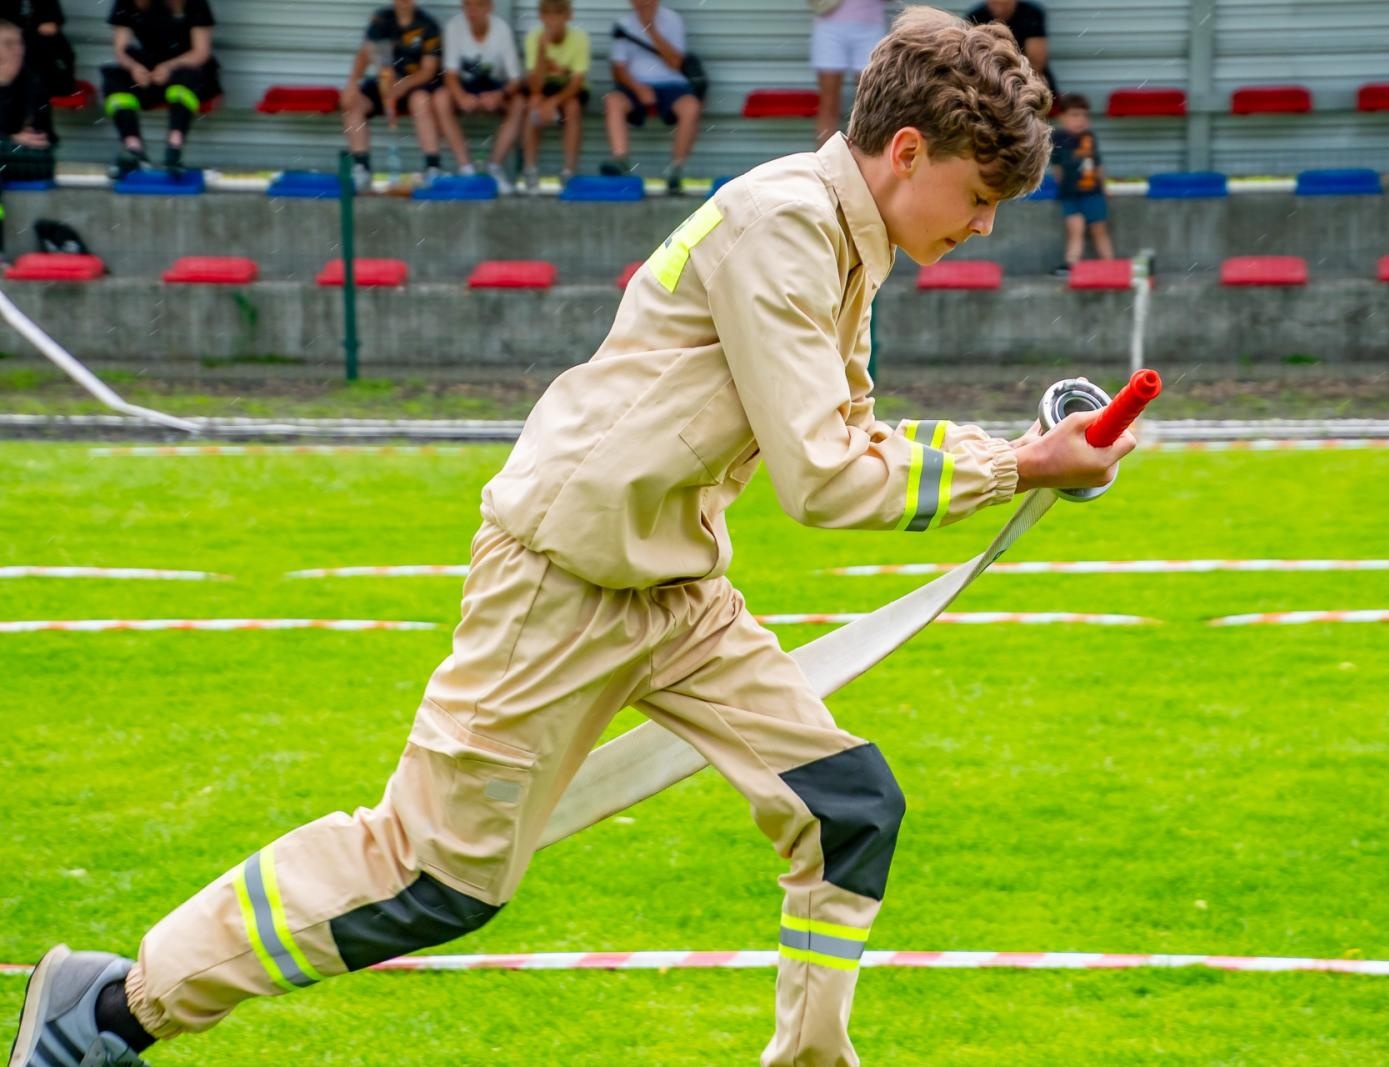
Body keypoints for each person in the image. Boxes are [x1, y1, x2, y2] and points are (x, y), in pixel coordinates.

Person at [6, 8, 1136, 1067]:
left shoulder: (842, 237)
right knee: (430, 879)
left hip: (672, 587)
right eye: (979, 192)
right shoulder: (786, 222)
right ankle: (107, 1009)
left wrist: (1020, 448)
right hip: (558, 578)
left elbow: (839, 434)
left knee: (848, 812)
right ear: (904, 149)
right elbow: (827, 477)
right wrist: (1022, 463)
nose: (984, 223)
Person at [100, 0, 220, 180]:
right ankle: (134, 149)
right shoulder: (126, 3)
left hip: (188, 68)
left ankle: (174, 149)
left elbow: (201, 52)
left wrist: (168, 67)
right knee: (114, 79)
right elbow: (121, 50)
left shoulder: (195, 4)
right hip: (150, 69)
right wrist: (134, 68)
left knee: (186, 80)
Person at [341, 1, 444, 193]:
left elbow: (429, 70)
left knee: (421, 100)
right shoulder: (381, 19)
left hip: (414, 85)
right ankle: (361, 169)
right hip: (384, 84)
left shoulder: (429, 24)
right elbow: (365, 53)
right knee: (352, 101)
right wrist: (352, 83)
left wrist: (403, 85)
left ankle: (433, 167)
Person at [601, 0, 697, 193]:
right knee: (612, 101)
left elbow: (675, 62)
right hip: (634, 86)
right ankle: (621, 160)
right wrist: (638, 89)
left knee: (691, 106)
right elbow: (618, 68)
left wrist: (651, 30)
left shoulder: (673, 20)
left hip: (671, 85)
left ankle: (675, 169)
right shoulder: (623, 24)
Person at [434, 0, 522, 193]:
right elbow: (450, 74)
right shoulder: (454, 27)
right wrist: (460, 97)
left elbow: (515, 79)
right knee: (440, 98)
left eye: (478, 5)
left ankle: (494, 167)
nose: (472, 11)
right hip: (465, 85)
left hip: (493, 86)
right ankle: (466, 168)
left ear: (490, 7)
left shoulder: (501, 30)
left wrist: (500, 95)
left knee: (520, 103)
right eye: (467, 5)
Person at [0, 18, 54, 262]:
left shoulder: (32, 81)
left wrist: (11, 136)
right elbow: (16, 130)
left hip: (32, 158)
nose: (17, 50)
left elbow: (39, 133)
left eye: (19, 43)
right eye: (8, 44)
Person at [520, 0, 589, 190]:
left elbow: (577, 82)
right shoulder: (534, 37)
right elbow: (535, 86)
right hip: (543, 88)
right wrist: (542, 50)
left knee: (573, 107)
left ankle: (569, 170)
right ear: (541, 17)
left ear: (568, 16)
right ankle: (530, 169)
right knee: (533, 103)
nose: (553, 21)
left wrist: (552, 103)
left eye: (558, 15)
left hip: (569, 89)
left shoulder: (579, 38)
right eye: (548, 15)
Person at [809, 0, 888, 146]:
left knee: (870, 102)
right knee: (828, 102)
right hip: (829, 25)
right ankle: (825, 164)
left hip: (870, 25)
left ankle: (865, 162)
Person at [1050, 92, 1112, 277]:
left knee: (1099, 230)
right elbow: (1057, 168)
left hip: (1093, 191)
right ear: (1062, 118)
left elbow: (1097, 164)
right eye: (1074, 115)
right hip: (1070, 193)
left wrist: (1105, 186)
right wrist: (1061, 186)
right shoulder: (1058, 139)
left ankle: (1110, 266)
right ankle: (1071, 264)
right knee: (1075, 228)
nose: (1081, 120)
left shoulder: (1089, 138)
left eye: (1084, 115)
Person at [965, 0, 1055, 99]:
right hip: (991, 85)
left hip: (1027, 81)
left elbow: (1037, 61)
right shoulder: (976, 15)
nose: (998, 6)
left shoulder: (1030, 14)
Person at [0, 0, 74, 98]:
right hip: (15, 37)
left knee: (57, 50)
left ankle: (54, 87)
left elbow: (54, 21)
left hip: (39, 41)